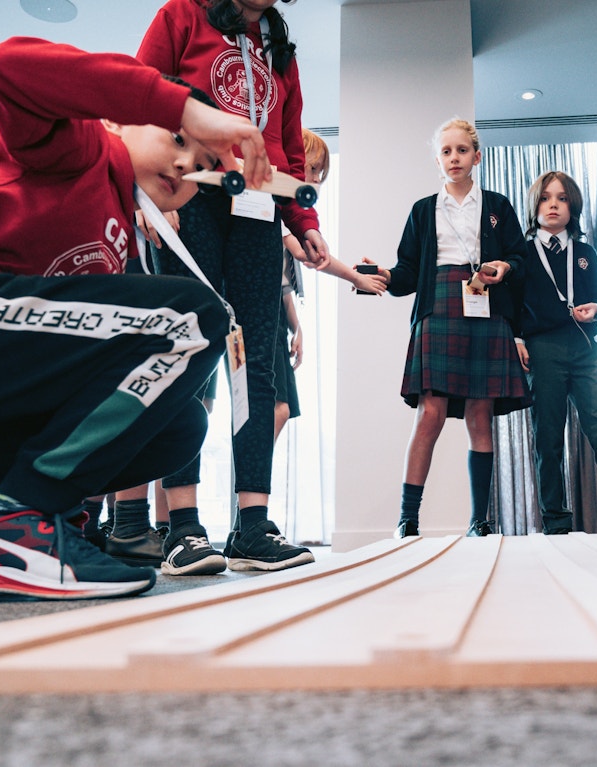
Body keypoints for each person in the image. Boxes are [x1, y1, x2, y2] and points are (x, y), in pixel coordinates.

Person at [0, 36, 271, 599]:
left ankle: (43, 522)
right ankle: (17, 520)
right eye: (176, 140)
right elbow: (6, 66)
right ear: (122, 123)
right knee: (194, 317)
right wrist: (188, 109)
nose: (186, 165)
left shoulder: (124, 229)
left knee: (181, 426)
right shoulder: (82, 147)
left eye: (201, 168)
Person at [136, 0, 331, 574]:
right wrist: (148, 192)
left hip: (258, 208)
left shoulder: (277, 43)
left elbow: (289, 145)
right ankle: (184, 527)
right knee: (187, 348)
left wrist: (306, 224)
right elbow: (139, 99)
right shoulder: (181, 16)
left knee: (256, 361)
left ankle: (251, 526)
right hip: (190, 196)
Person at [374, 118, 531, 538]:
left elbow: (520, 257)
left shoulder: (497, 206)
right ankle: (408, 520)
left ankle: (480, 521)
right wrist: (385, 277)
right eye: (446, 152)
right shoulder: (423, 210)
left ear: (476, 157)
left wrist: (504, 266)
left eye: (462, 150)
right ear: (438, 160)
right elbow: (408, 270)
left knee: (481, 415)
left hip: (486, 307)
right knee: (431, 412)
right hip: (439, 306)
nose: (454, 158)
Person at [516, 172, 597, 535]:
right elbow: (510, 305)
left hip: (585, 348)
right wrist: (516, 339)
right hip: (543, 350)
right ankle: (556, 522)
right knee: (547, 437)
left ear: (572, 205)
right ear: (535, 206)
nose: (554, 204)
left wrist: (596, 310)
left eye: (561, 198)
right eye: (545, 198)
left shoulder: (585, 253)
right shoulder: (524, 254)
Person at [273, 128, 387, 442]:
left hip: (275, 316)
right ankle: (249, 483)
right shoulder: (279, 211)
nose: (314, 178)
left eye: (319, 173)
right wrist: (356, 277)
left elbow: (281, 283)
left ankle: (251, 483)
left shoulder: (290, 217)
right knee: (274, 409)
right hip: (258, 315)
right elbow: (310, 254)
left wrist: (296, 327)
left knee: (278, 410)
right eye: (310, 168)